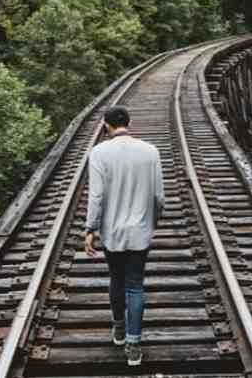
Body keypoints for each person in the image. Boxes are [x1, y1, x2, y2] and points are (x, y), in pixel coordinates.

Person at [84, 105, 166, 367]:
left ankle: (119, 329)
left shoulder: (98, 153)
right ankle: (133, 344)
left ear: (106, 126)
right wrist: (152, 221)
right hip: (139, 232)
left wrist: (90, 229)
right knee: (135, 284)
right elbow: (158, 196)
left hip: (112, 232)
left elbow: (96, 196)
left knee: (116, 278)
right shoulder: (150, 151)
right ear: (129, 123)